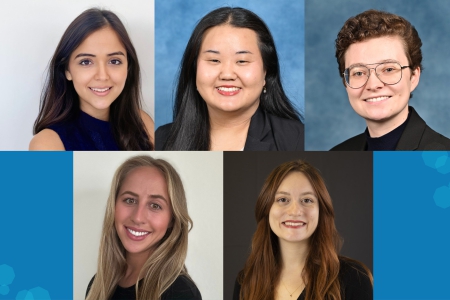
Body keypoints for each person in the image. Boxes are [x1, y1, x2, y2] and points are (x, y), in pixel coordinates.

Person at [155, 7, 303, 151]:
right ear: (193, 69)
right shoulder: (162, 139)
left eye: (242, 61)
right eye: (214, 60)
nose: (227, 75)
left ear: (266, 72)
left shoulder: (295, 139)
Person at [234, 160, 373, 300]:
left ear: (322, 211)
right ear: (266, 208)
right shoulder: (246, 281)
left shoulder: (354, 278)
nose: (295, 211)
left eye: (307, 200)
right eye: (283, 199)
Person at [30, 8, 154, 150]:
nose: (102, 76)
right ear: (67, 70)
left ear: (128, 67)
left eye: (114, 61)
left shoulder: (142, 122)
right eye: (86, 62)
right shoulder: (47, 144)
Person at [331, 9, 450, 151]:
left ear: (413, 77)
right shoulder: (340, 153)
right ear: (346, 82)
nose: (373, 85)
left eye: (388, 69)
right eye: (359, 73)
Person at [85, 155, 201, 300]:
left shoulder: (179, 292)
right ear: (113, 207)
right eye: (130, 200)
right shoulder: (97, 285)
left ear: (172, 219)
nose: (138, 217)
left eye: (155, 205)